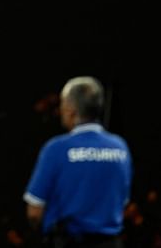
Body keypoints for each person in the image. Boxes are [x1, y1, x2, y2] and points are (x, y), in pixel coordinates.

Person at [24, 76, 132, 248]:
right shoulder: (120, 147)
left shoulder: (56, 149)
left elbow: (34, 213)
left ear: (70, 109)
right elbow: (122, 202)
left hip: (68, 241)